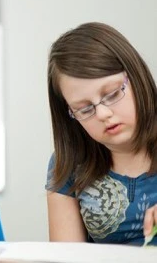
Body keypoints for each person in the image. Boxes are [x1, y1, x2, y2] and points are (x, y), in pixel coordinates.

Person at [46, 22, 157, 245]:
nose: (104, 113)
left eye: (113, 94)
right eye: (85, 109)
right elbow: (67, 259)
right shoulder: (69, 162)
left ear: (136, 77)